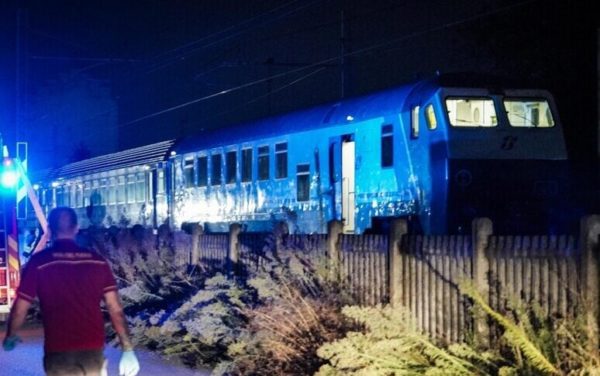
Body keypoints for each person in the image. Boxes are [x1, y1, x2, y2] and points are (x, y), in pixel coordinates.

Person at [2, 207, 140, 376]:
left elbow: (20, 307)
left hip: (59, 351)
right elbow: (115, 309)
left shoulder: (39, 262)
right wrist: (127, 349)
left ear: (50, 230)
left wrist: (11, 334)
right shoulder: (97, 261)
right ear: (76, 228)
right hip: (92, 350)